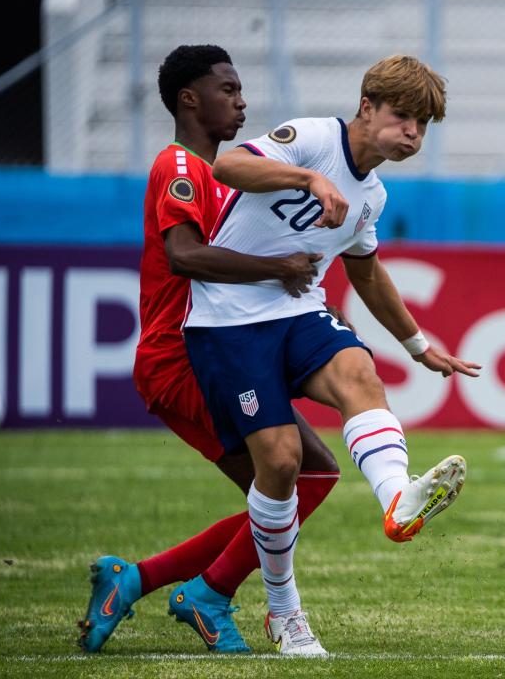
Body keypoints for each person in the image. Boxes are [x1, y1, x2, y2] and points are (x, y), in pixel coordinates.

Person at [181, 54, 480, 657]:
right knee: (283, 464)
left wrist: (419, 346)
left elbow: (367, 275)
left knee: (359, 371)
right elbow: (228, 164)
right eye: (403, 118)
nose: (413, 134)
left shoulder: (373, 194)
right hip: (227, 320)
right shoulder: (314, 139)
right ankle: (285, 612)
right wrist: (308, 179)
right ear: (366, 106)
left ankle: (397, 499)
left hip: (296, 311)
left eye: (423, 126)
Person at [77, 44, 342, 655]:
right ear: (189, 98)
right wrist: (277, 268)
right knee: (291, 488)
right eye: (229, 89)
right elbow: (185, 256)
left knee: (305, 481)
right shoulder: (179, 166)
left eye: (242, 89)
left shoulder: (219, 178)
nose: (242, 101)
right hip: (182, 360)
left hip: (217, 356)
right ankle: (205, 594)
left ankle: (141, 580)